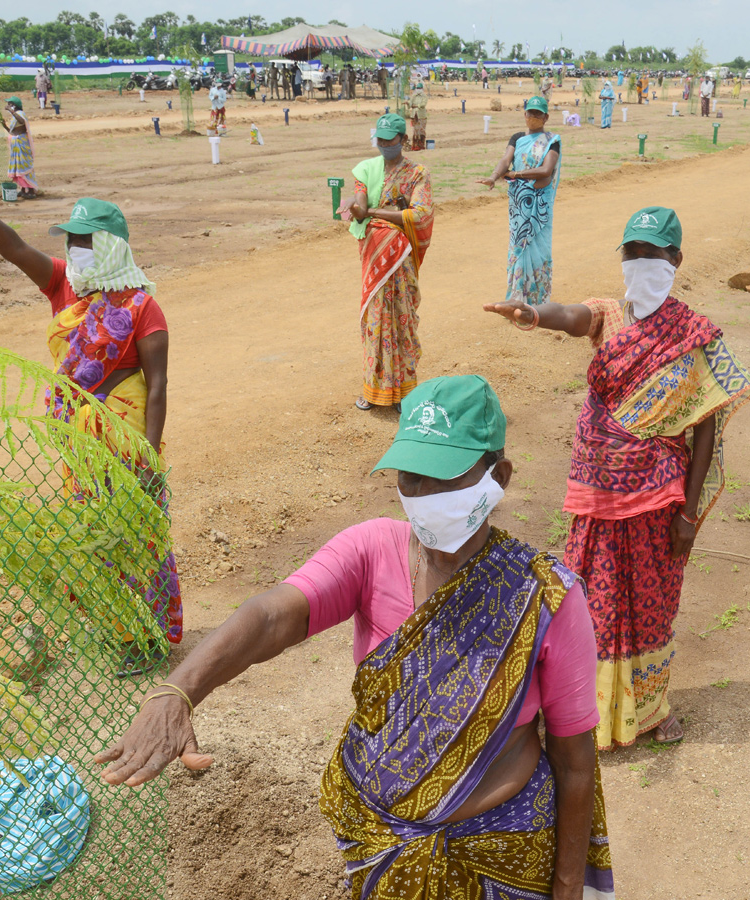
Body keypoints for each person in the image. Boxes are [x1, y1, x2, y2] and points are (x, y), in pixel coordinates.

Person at [94, 375, 617, 900]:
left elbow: (574, 762)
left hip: (498, 854)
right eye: (411, 477)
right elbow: (274, 616)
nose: (423, 494)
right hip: (379, 846)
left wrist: (569, 885)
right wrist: (179, 691)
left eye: (445, 477)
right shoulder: (371, 550)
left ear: (497, 475)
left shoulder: (544, 597)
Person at [484, 207, 750, 749]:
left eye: (652, 254)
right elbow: (569, 313)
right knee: (585, 601)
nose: (641, 264)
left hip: (658, 497)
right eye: (632, 253)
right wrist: (533, 313)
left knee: (651, 601)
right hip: (597, 490)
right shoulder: (611, 314)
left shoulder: (695, 335)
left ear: (675, 260)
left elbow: (705, 429)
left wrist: (689, 513)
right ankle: (574, 702)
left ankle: (649, 710)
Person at [0, 193, 183, 666]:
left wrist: (150, 454)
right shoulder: (63, 285)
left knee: (132, 531)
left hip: (124, 431)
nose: (73, 249)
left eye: (83, 240)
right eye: (71, 240)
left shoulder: (143, 306)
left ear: (109, 246)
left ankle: (145, 635)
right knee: (91, 529)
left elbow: (157, 385)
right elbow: (14, 248)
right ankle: (116, 627)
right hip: (79, 437)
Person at [340, 114, 433, 411]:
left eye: (389, 139)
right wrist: (355, 208)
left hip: (399, 258)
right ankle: (374, 389)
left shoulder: (417, 173)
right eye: (379, 139)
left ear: (402, 140)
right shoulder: (366, 169)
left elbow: (419, 214)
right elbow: (361, 207)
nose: (383, 144)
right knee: (376, 319)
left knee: (400, 318)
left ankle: (403, 391)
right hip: (375, 255)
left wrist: (375, 214)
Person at [478, 96, 562, 306]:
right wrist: (494, 176)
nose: (533, 117)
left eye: (538, 113)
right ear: (524, 115)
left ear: (546, 117)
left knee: (538, 247)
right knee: (517, 247)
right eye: (530, 112)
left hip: (539, 206)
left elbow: (546, 171)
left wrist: (515, 174)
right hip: (518, 205)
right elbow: (505, 160)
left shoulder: (552, 141)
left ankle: (538, 302)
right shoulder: (517, 138)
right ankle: (516, 298)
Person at [1, 97, 37, 199]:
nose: (7, 106)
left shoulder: (20, 114)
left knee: (23, 167)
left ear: (14, 105)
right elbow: (13, 132)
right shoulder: (14, 117)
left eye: (9, 104)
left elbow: (21, 121)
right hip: (16, 144)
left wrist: (11, 111)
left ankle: (30, 191)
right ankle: (23, 189)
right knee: (18, 168)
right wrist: (4, 125)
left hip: (22, 143)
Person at [408, 81, 428, 150]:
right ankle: (415, 146)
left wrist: (416, 106)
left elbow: (423, 104)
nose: (418, 89)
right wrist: (407, 103)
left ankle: (421, 145)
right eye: (417, 88)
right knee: (415, 131)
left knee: (421, 130)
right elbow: (410, 104)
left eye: (420, 88)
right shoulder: (413, 96)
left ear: (422, 89)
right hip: (414, 115)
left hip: (421, 115)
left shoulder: (424, 96)